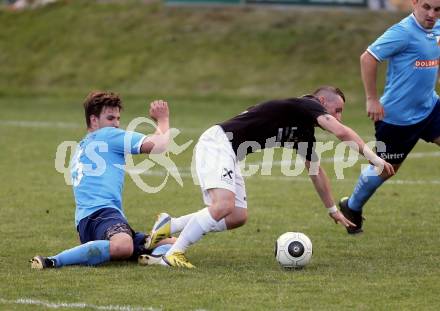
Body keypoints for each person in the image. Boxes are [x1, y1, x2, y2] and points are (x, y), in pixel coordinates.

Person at [141, 86, 395, 268]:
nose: (338, 117)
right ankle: (173, 255)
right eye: (336, 110)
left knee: (237, 215)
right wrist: (376, 159)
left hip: (229, 153)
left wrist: (332, 209)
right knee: (224, 205)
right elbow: (341, 132)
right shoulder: (304, 105)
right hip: (217, 144)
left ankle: (169, 225)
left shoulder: (303, 131)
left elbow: (316, 171)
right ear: (321, 101)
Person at [30, 91, 172, 269]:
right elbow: (158, 146)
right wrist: (163, 119)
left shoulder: (81, 146)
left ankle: (152, 256)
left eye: (118, 119)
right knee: (124, 245)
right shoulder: (108, 135)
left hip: (88, 224)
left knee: (174, 243)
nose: (116, 124)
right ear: (94, 120)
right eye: (110, 118)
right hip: (102, 215)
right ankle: (53, 261)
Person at [338, 0, 440, 234]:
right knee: (386, 169)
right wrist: (372, 99)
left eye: (438, 9)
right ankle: (351, 206)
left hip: (430, 107)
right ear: (414, 3)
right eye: (426, 7)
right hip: (397, 118)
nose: (432, 14)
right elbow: (368, 58)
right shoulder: (402, 32)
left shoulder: (436, 27)